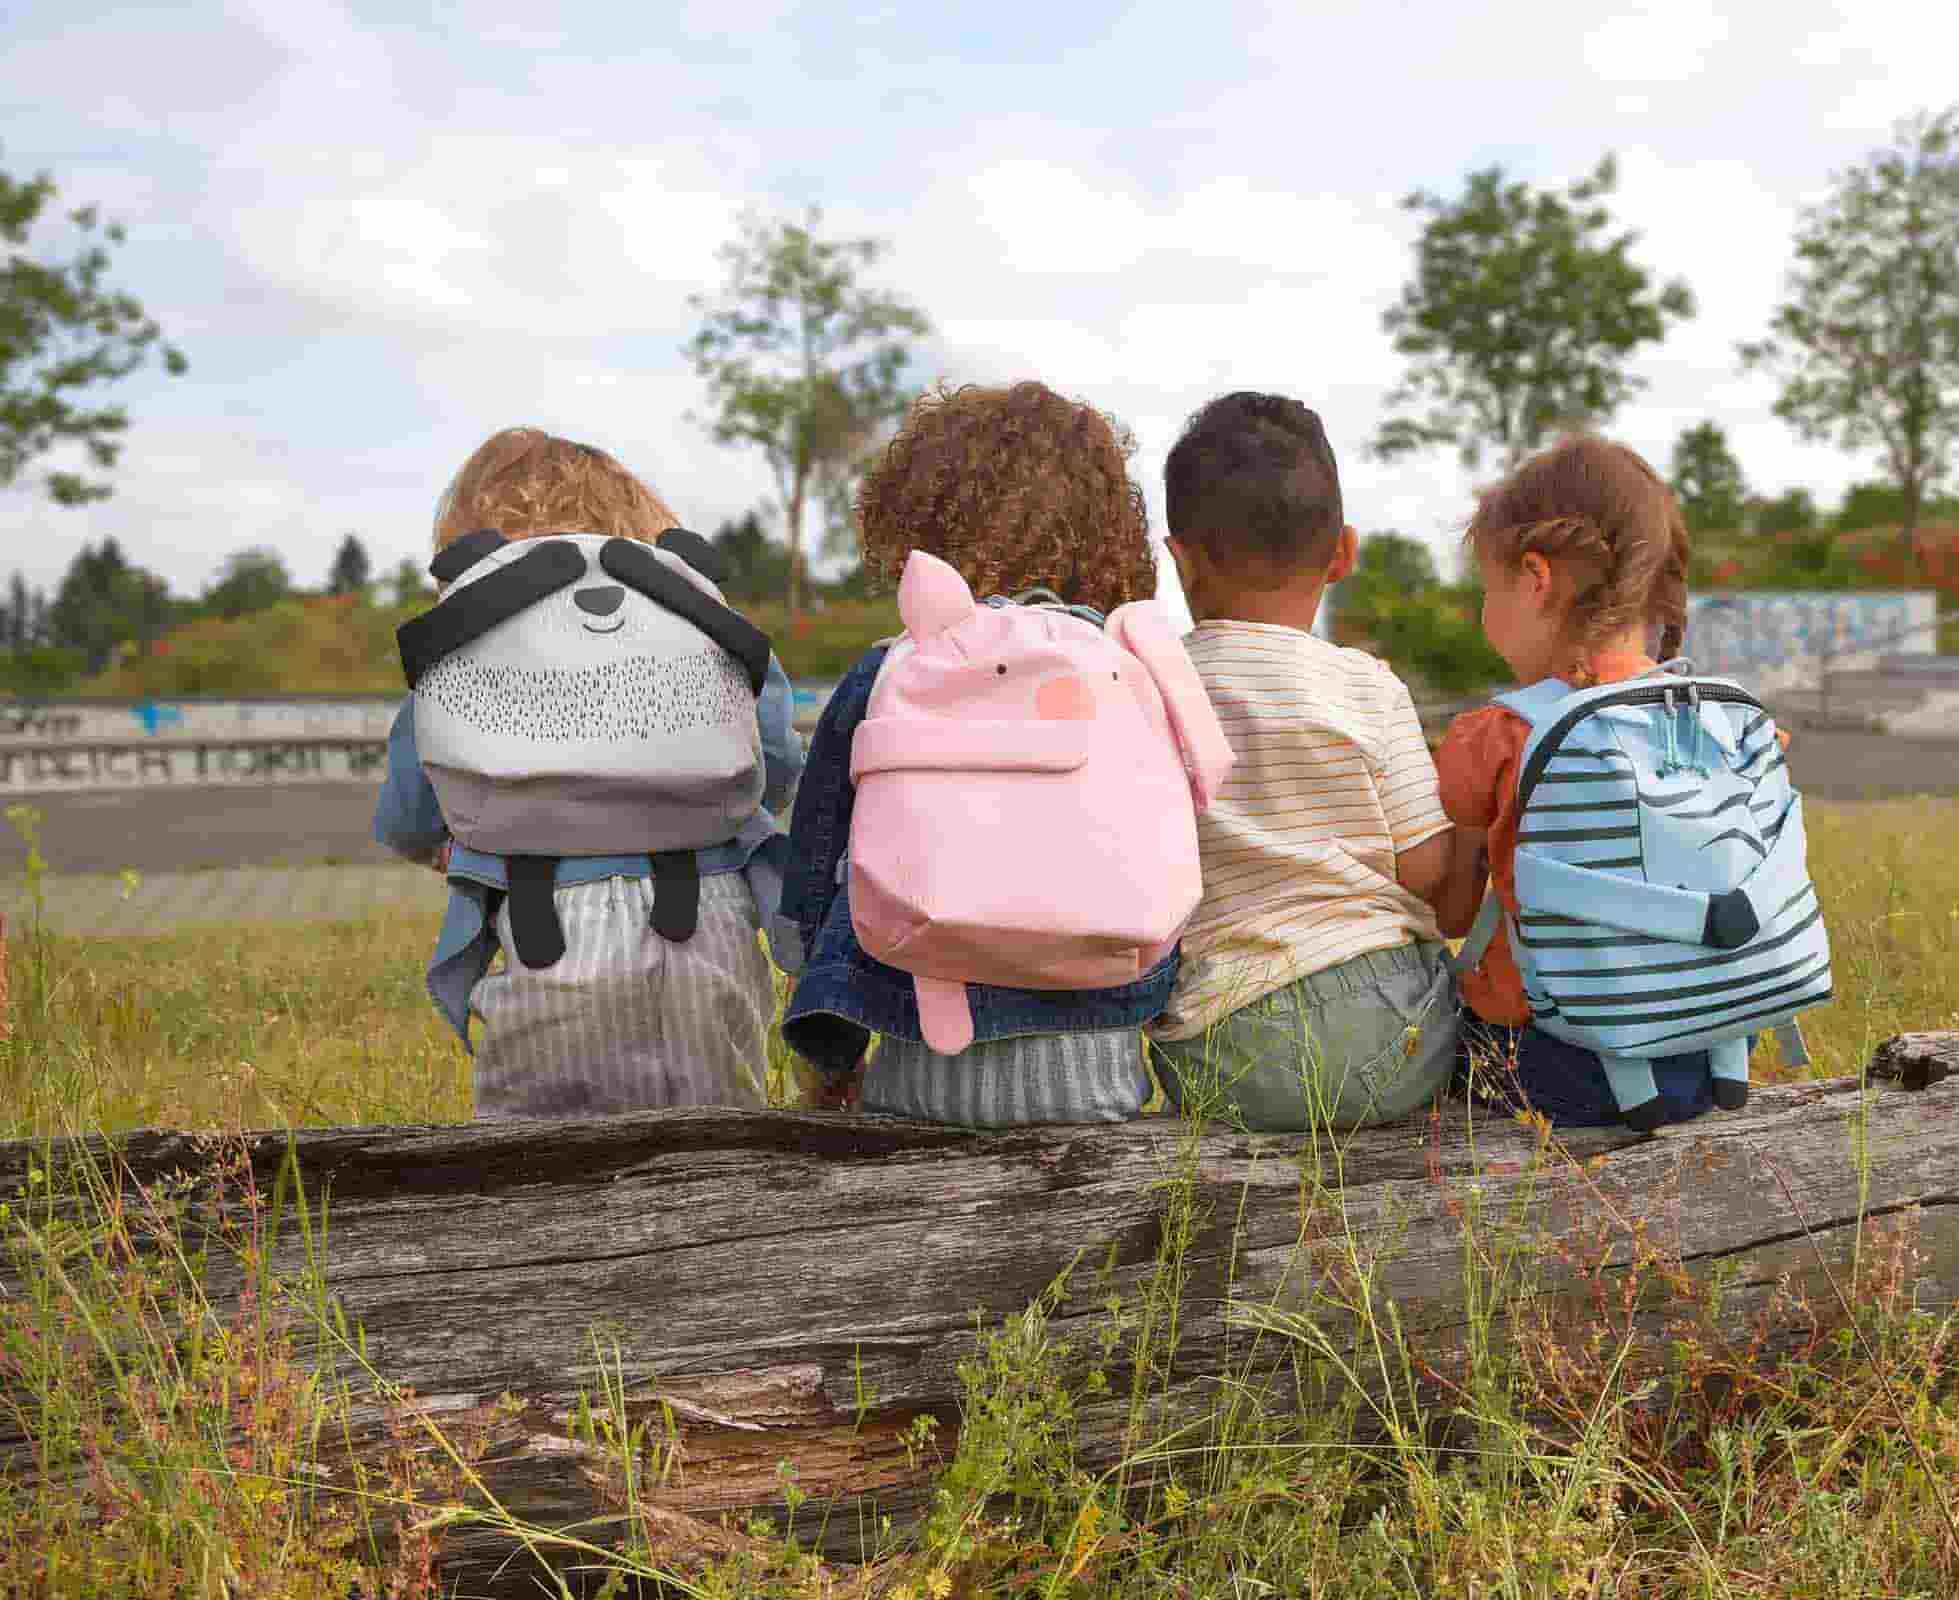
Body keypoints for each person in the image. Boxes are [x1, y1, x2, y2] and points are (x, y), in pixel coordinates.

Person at [779, 381, 1196, 1125]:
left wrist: (829, 1041)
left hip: (922, 1073)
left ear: (918, 523)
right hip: (1097, 1072)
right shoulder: (1129, 669)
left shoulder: (894, 670)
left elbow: (813, 873)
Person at [372, 427, 800, 1118]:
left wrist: (452, 845)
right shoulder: (703, 620)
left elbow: (410, 813)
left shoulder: (465, 640)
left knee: (534, 1148)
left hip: (550, 929)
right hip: (709, 920)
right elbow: (775, 767)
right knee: (720, 1130)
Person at [1428, 435, 1790, 1131]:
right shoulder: (1726, 722)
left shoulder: (1496, 737)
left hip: (1556, 1071)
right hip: (1714, 1055)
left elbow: (1449, 915)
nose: (1482, 611)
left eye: (1486, 590)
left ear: (1534, 579)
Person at [1147, 392, 1461, 1132]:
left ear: (1179, 560)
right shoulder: (1368, 685)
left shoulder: (1154, 689)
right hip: (1397, 1031)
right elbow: (1424, 869)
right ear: (1343, 553)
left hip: (1226, 1044)